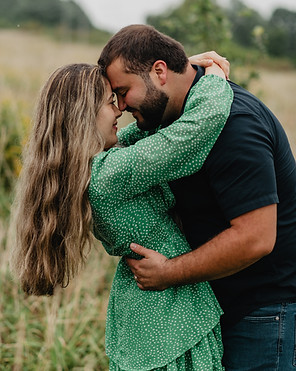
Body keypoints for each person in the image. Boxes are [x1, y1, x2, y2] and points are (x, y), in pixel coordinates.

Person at [10, 61, 233, 370]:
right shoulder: (110, 175)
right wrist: (213, 77)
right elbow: (195, 129)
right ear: (83, 117)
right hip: (166, 317)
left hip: (148, 312)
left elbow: (146, 130)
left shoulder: (90, 167)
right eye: (109, 101)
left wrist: (184, 69)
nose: (119, 110)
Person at [99, 24, 296, 370]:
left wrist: (168, 273)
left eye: (123, 91)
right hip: (223, 304)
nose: (121, 106)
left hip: (264, 313)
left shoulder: (236, 128)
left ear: (160, 72)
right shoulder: (170, 114)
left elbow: (257, 238)